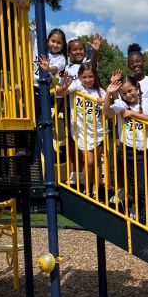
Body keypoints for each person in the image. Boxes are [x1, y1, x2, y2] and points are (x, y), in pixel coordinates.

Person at [104, 73, 148, 224]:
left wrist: (133, 114)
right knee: (132, 184)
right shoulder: (120, 104)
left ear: (137, 88)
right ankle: (138, 212)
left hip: (141, 150)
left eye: (130, 91)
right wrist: (109, 93)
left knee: (142, 186)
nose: (128, 95)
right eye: (124, 93)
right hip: (126, 149)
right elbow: (107, 112)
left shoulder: (146, 103)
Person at [52, 59, 106, 198]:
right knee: (89, 161)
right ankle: (86, 188)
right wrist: (65, 86)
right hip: (81, 130)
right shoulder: (77, 86)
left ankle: (95, 188)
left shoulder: (100, 92)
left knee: (97, 161)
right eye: (84, 77)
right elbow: (60, 93)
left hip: (97, 130)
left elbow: (108, 109)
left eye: (90, 77)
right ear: (80, 77)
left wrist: (104, 102)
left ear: (95, 77)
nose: (87, 80)